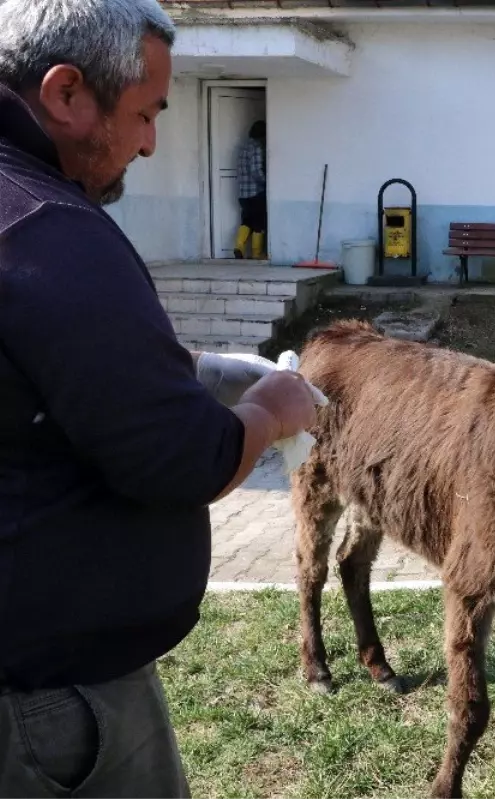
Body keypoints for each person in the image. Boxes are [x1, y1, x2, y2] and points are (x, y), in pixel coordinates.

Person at [0, 2, 323, 796]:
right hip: (53, 709)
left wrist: (196, 365)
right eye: (145, 114)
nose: (150, 142)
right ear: (67, 93)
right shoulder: (50, 232)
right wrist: (274, 406)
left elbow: (46, 367)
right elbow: (187, 459)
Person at [235, 119, 267, 259]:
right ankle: (257, 254)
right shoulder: (256, 148)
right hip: (255, 192)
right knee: (259, 222)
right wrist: (266, 182)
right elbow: (255, 171)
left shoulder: (243, 147)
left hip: (243, 193)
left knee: (247, 220)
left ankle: (239, 246)